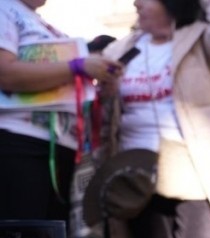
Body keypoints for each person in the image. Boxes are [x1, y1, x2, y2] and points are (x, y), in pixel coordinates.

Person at [103, 0, 210, 238]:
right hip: (138, 175)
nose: (135, 3)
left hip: (194, 171)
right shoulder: (118, 51)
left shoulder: (201, 41)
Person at [0, 0, 123, 222]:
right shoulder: (4, 8)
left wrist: (100, 87)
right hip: (20, 144)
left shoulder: (39, 22)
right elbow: (5, 74)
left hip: (58, 148)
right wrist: (77, 67)